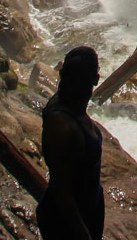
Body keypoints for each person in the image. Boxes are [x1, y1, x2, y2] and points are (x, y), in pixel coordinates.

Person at [36, 46, 105, 240]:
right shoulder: (62, 125)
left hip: (86, 209)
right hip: (67, 222)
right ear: (95, 79)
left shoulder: (64, 101)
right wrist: (82, 234)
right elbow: (61, 189)